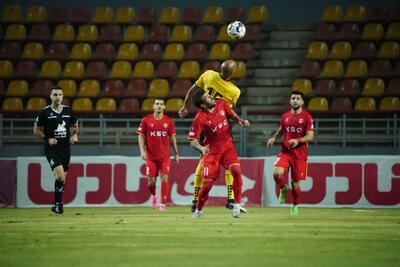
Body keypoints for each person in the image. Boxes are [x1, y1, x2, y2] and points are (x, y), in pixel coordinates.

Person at [178, 59, 246, 213]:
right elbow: (229, 110)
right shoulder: (235, 91)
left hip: (213, 123)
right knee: (216, 163)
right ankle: (223, 199)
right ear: (233, 73)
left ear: (220, 68)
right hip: (215, 126)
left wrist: (185, 106)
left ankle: (200, 200)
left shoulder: (208, 74)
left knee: (214, 163)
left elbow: (191, 91)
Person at [188, 90, 250, 218]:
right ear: (203, 105)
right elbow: (192, 140)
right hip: (212, 151)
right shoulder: (200, 118)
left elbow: (231, 113)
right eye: (207, 97)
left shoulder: (221, 103)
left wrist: (240, 120)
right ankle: (198, 210)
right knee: (207, 186)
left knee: (237, 172)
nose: (211, 96)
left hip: (227, 146)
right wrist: (201, 148)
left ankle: (236, 206)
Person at [267, 91, 314, 215]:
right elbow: (281, 130)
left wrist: (298, 140)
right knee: (276, 173)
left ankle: (295, 205)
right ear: (290, 101)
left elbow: (310, 136)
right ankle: (283, 188)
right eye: (293, 98)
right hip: (285, 152)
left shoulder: (306, 117)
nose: (295, 100)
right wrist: (274, 138)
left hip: (300, 154)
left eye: (298, 99)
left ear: (302, 102)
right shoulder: (285, 116)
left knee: (295, 184)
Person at [33, 85, 79, 214]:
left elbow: (76, 125)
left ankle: (57, 205)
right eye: (55, 94)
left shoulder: (68, 111)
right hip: (52, 149)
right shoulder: (45, 112)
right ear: (50, 96)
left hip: (65, 149)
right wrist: (47, 139)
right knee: (60, 177)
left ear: (63, 96)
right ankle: (58, 204)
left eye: (60, 94)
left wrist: (75, 134)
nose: (57, 97)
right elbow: (36, 130)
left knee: (62, 178)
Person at [137, 98, 179, 211]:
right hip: (151, 157)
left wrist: (176, 153)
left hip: (164, 157)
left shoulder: (169, 121)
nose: (159, 106)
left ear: (164, 107)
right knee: (151, 181)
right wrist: (142, 151)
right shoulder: (146, 120)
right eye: (157, 104)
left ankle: (162, 203)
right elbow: (140, 136)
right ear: (153, 106)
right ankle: (154, 196)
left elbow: (172, 138)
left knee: (164, 178)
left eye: (161, 104)